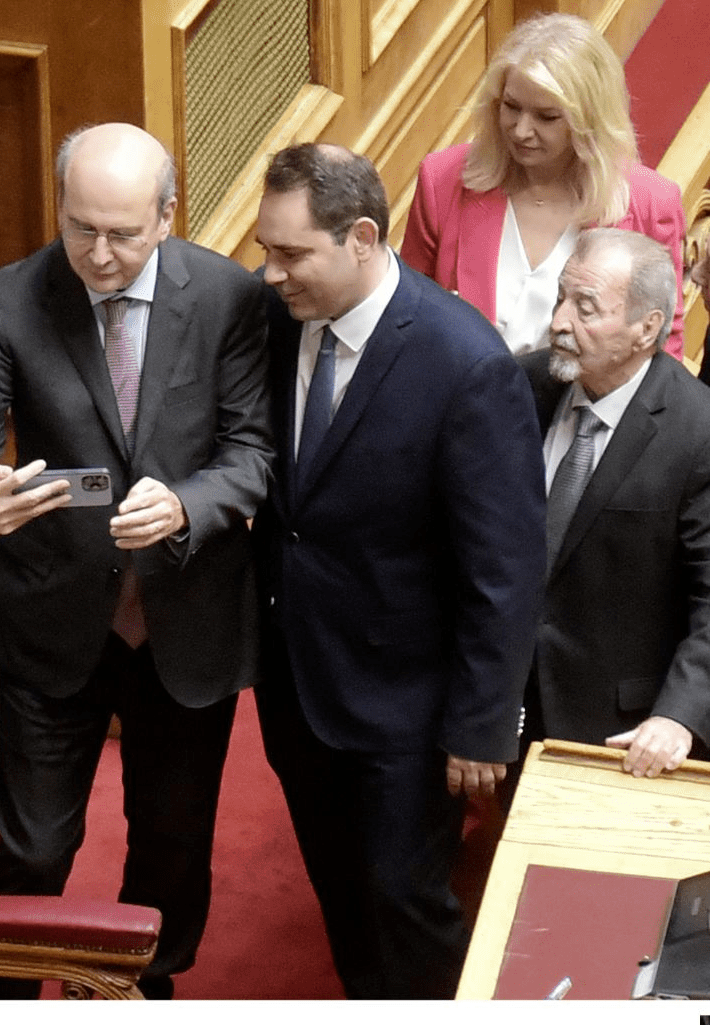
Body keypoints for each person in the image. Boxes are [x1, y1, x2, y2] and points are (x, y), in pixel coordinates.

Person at [0, 122, 273, 999]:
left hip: (186, 617)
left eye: (123, 233)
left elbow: (253, 452)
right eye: (82, 228)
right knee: (35, 842)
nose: (101, 254)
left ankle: (139, 990)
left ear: (167, 216)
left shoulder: (230, 297)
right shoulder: (12, 296)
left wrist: (187, 504)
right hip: (52, 613)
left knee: (172, 842)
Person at [252, 143, 545, 999]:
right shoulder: (277, 320)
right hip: (298, 684)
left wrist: (483, 723)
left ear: (362, 238)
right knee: (343, 892)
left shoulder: (466, 363)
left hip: (407, 705)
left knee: (405, 900)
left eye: (291, 253)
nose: (271, 274)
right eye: (266, 250)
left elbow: (505, 566)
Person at [520, 227, 710, 778]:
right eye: (560, 298)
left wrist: (679, 715)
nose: (559, 322)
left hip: (623, 734)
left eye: (585, 308)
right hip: (503, 709)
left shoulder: (698, 430)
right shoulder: (522, 387)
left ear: (647, 327)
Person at [401, 12, 685, 357]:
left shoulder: (651, 204)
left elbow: (660, 351)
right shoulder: (443, 179)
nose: (521, 131)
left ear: (590, 120)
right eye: (511, 107)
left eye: (546, 117)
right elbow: (407, 318)